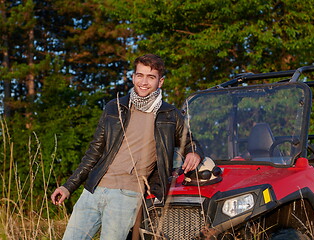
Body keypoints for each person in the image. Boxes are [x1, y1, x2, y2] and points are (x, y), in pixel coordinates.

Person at [51, 54, 204, 239]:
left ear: (160, 82)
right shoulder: (114, 107)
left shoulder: (170, 115)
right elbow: (94, 152)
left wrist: (193, 153)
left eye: (151, 77)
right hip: (93, 190)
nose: (144, 82)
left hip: (127, 195)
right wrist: (68, 187)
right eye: (140, 75)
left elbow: (190, 142)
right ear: (133, 77)